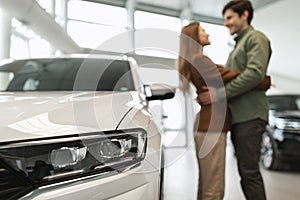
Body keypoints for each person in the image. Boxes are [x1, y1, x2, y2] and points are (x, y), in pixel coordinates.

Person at [178, 22, 270, 200]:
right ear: (194, 37)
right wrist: (262, 79)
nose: (208, 34)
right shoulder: (200, 60)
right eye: (203, 31)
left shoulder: (194, 60)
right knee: (214, 188)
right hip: (211, 128)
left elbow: (226, 74)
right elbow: (231, 76)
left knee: (205, 184)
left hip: (205, 126)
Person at [198, 1, 272, 200]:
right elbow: (236, 75)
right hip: (240, 117)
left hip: (251, 116)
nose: (226, 23)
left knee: (249, 173)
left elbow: (254, 74)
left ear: (244, 15)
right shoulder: (238, 45)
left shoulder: (256, 38)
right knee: (246, 173)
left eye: (230, 18)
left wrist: (219, 94)